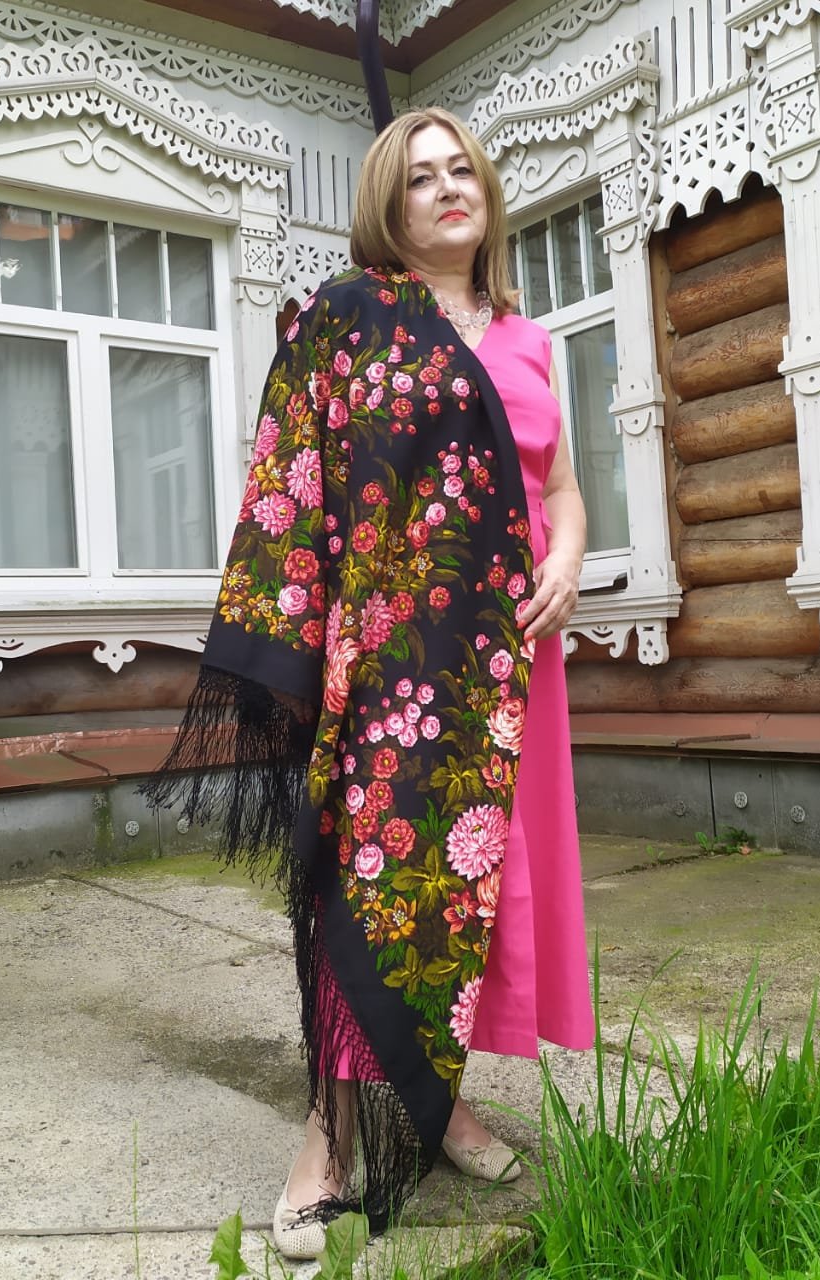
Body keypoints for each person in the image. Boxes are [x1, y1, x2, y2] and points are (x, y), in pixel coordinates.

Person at [141, 106, 594, 1260]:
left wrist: (571, 558)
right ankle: (327, 1136)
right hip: (399, 665)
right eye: (419, 177)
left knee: (471, 897)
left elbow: (559, 483)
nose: (448, 188)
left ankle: (437, 1107)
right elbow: (297, 472)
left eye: (461, 168)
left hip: (513, 662)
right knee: (371, 885)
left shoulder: (528, 339)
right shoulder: (353, 322)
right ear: (388, 209)